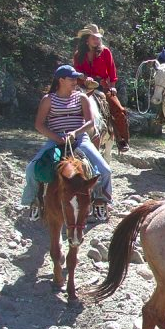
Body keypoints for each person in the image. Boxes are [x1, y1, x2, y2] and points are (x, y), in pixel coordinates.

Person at [21, 65, 113, 221]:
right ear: (61, 80)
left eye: (76, 78)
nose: (75, 81)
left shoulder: (81, 97)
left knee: (105, 170)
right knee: (31, 169)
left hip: (80, 139)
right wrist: (56, 138)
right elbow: (39, 124)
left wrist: (75, 133)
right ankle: (33, 200)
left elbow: (90, 122)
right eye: (71, 79)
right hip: (55, 139)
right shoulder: (48, 100)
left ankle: (100, 200)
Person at [72, 24, 130, 152]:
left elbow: (111, 70)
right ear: (87, 39)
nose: (97, 40)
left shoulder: (105, 52)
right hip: (84, 86)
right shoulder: (78, 55)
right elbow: (76, 71)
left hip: (103, 86)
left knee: (119, 110)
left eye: (98, 38)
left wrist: (113, 86)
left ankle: (122, 139)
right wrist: (84, 78)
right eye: (94, 38)